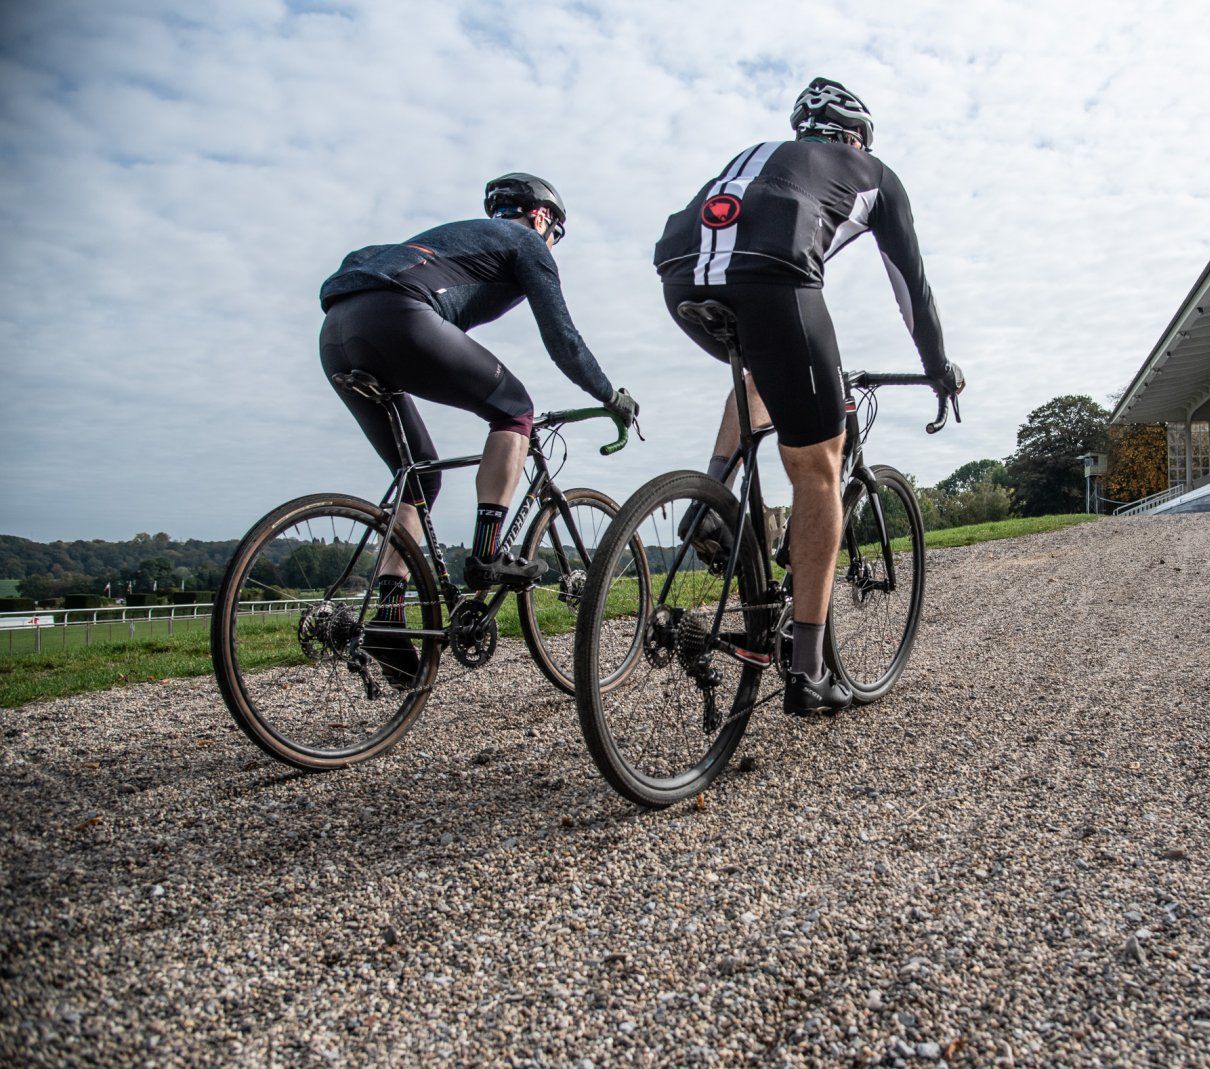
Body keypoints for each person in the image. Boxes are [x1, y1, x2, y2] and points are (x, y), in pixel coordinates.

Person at [653, 77, 963, 717]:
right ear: (860, 135)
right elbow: (914, 288)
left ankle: (713, 497)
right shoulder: (873, 173)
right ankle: (810, 670)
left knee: (762, 372)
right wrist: (938, 369)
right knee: (818, 466)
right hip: (776, 277)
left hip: (681, 275)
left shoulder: (762, 154)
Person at [319, 172, 637, 683]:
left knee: (418, 475)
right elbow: (563, 339)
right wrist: (608, 394)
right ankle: (488, 553)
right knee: (514, 411)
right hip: (400, 315)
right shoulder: (526, 242)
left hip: (337, 330)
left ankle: (388, 616)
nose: (553, 243)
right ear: (542, 217)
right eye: (557, 232)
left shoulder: (456, 238)